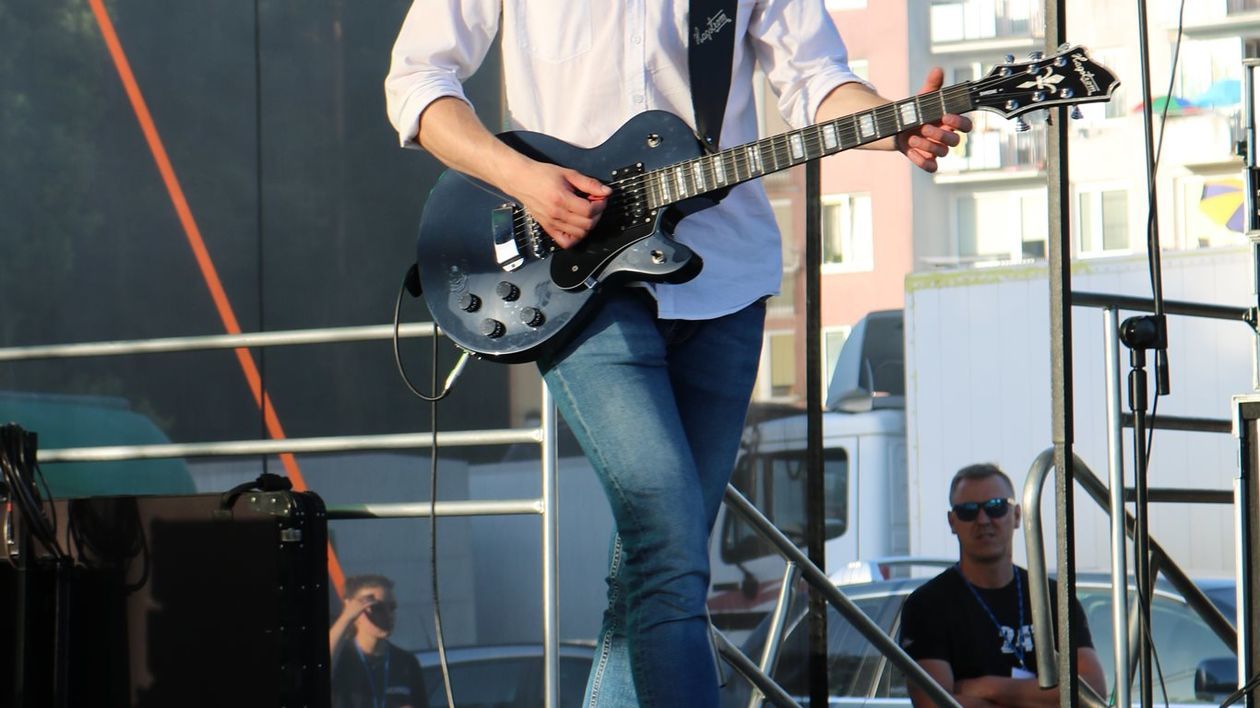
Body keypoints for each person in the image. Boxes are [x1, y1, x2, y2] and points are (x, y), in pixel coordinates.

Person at [385, 3, 970, 706]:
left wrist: (890, 122)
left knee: (656, 566)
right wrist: (524, 180)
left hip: (725, 280)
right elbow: (417, 82)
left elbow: (816, 77)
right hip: (575, 281)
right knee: (667, 543)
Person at [899, 463, 1108, 707]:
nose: (983, 520)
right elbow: (934, 703)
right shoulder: (927, 605)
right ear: (952, 522)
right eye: (968, 511)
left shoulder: (1054, 597)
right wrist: (1043, 700)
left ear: (1017, 515)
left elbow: (1092, 691)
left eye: (996, 507)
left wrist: (987, 687)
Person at [329, 574, 429, 708]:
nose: (388, 615)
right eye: (377, 608)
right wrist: (346, 618)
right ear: (353, 611)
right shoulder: (341, 657)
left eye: (392, 608)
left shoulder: (406, 662)